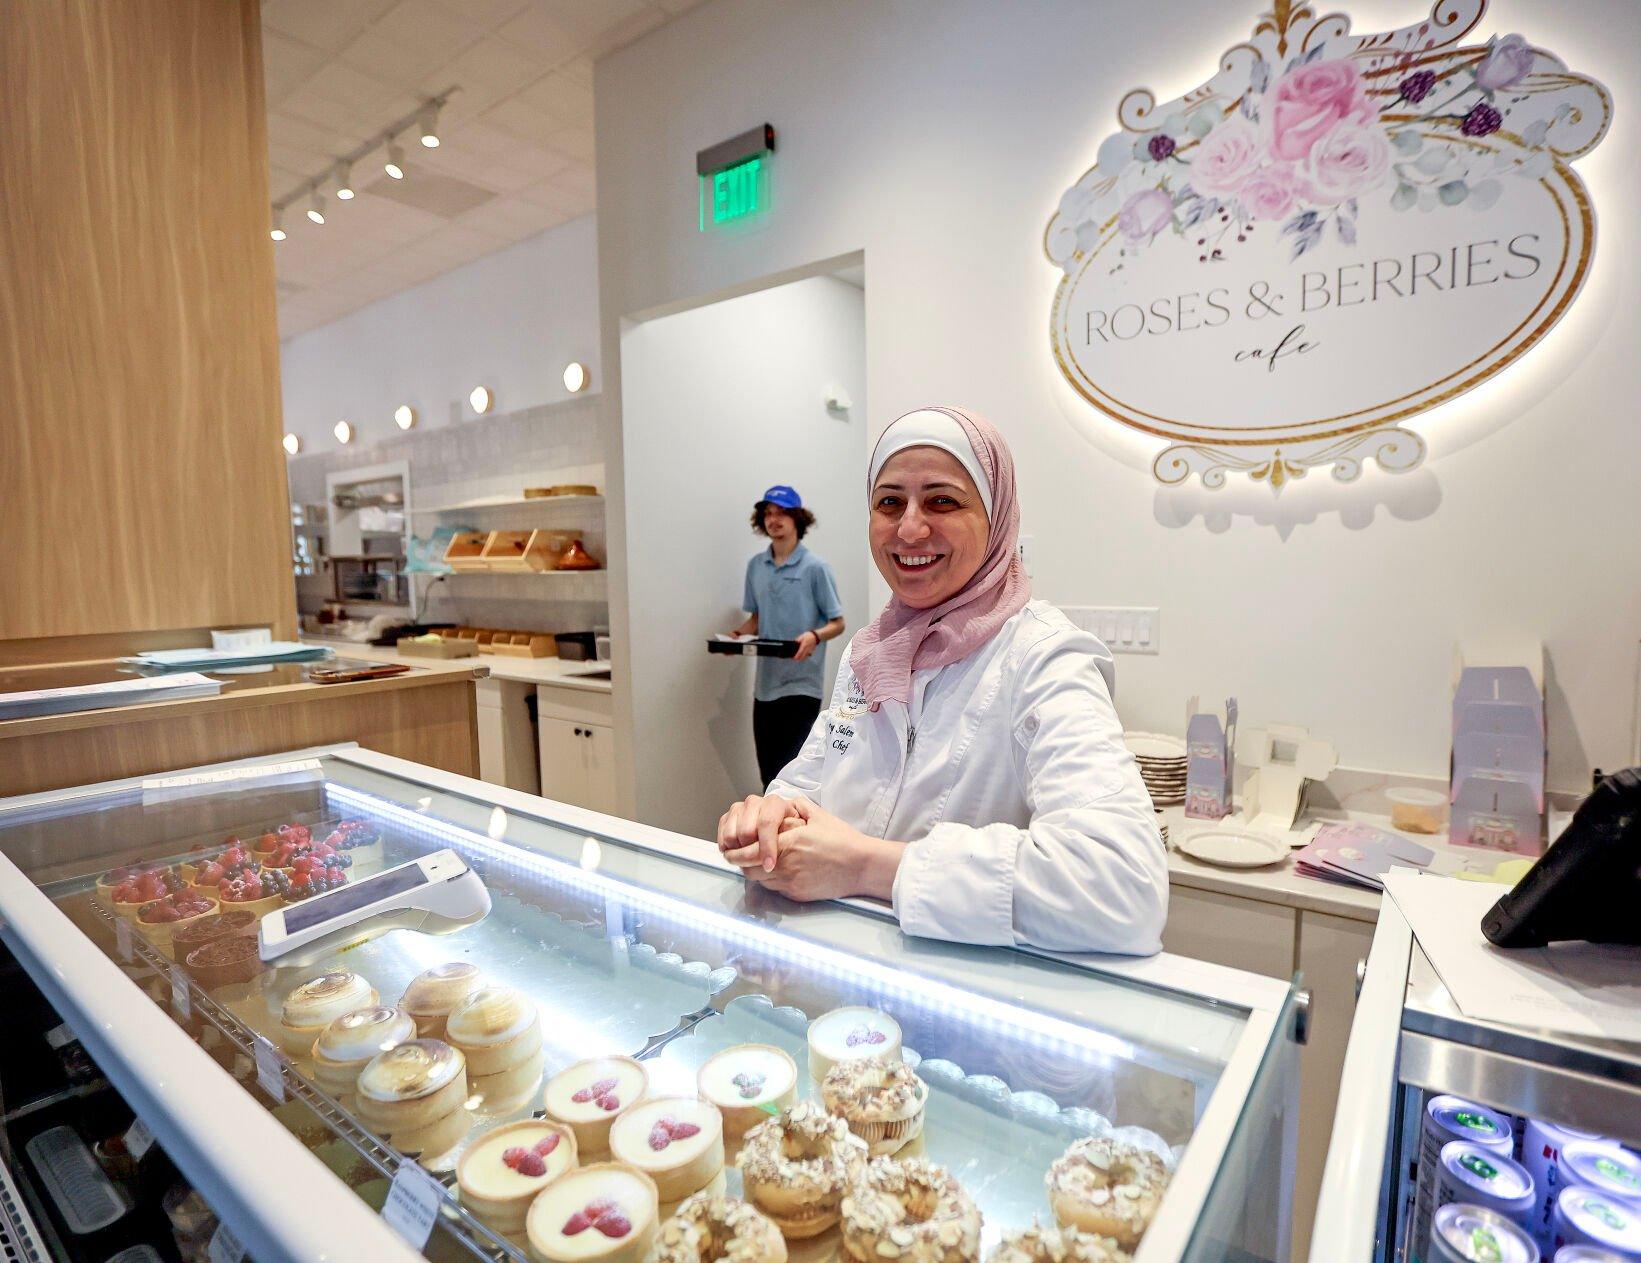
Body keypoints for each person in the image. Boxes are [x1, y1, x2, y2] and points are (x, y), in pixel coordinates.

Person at [714, 409, 1166, 955]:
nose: (909, 528)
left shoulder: (1044, 657)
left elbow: (1123, 887)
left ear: (996, 516)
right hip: (851, 972)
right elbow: (809, 782)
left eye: (942, 500)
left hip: (973, 995)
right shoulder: (871, 649)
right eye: (889, 503)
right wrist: (769, 814)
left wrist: (866, 867)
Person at [726, 484, 847, 789]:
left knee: (794, 776)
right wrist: (738, 636)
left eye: (782, 513)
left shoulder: (816, 568)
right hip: (765, 687)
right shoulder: (756, 566)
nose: (774, 519)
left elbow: (838, 622)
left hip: (802, 686)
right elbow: (757, 618)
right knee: (768, 774)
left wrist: (813, 636)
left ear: (797, 519)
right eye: (768, 513)